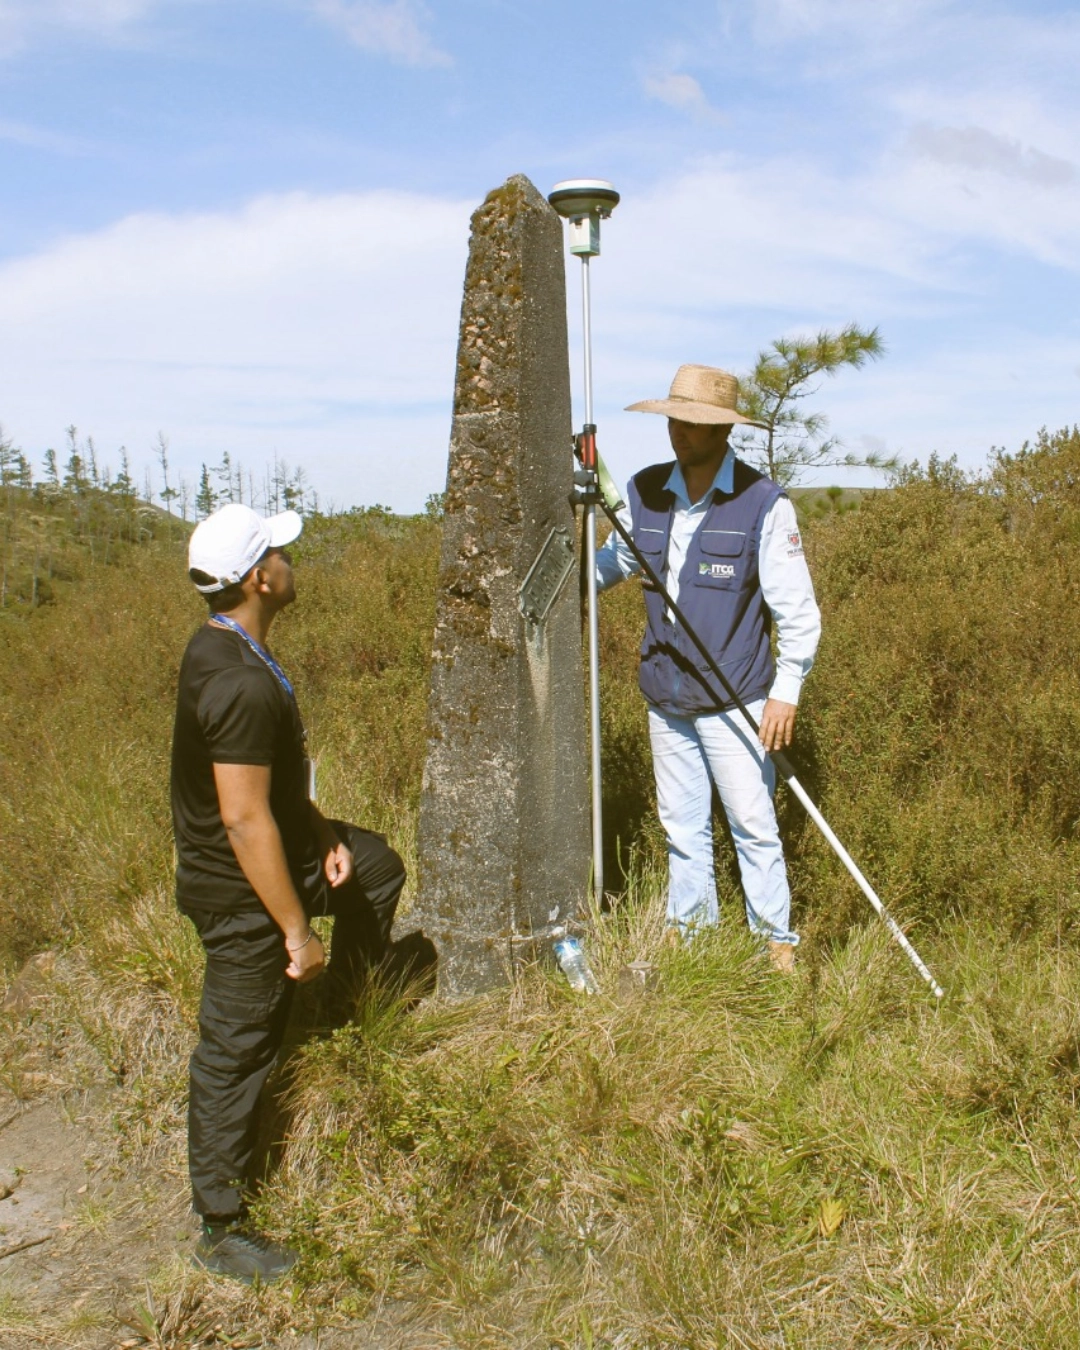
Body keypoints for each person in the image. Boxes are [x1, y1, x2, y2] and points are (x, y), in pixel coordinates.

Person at [171, 502, 406, 1282]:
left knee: (374, 865)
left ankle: (344, 1010)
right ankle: (221, 1224)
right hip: (241, 893)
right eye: (279, 552)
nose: (289, 561)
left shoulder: (230, 647)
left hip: (276, 857)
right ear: (257, 578)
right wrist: (297, 933)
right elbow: (242, 820)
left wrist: (323, 833)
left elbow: (272, 792)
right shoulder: (237, 681)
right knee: (237, 1046)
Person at [596, 364, 821, 970]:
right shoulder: (643, 492)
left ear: (723, 432)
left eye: (694, 423)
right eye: (674, 419)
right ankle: (692, 938)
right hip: (666, 697)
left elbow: (797, 612)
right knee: (681, 827)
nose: (680, 432)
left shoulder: (764, 504)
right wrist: (573, 578)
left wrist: (786, 691)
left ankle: (775, 944)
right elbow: (613, 562)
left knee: (752, 824)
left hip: (738, 698)